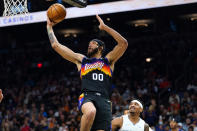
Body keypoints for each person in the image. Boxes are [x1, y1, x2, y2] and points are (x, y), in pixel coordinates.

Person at [46, 14, 128, 131]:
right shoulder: (82, 60)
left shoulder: (108, 61)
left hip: (104, 100)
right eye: (89, 44)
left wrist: (105, 28)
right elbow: (56, 45)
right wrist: (49, 27)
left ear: (100, 48)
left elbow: (123, 43)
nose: (89, 45)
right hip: (87, 96)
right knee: (90, 112)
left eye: (93, 43)